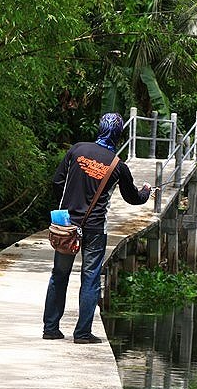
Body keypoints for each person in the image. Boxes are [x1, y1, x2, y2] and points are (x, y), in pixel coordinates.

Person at [43, 112, 151, 344]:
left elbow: (56, 182)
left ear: (99, 128)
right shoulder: (118, 166)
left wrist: (66, 206)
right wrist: (147, 191)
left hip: (66, 225)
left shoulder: (77, 149)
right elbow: (133, 198)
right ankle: (82, 333)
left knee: (59, 275)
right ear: (119, 135)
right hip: (94, 230)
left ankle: (51, 328)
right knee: (90, 278)